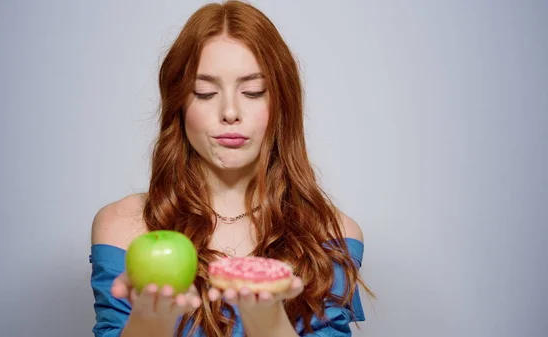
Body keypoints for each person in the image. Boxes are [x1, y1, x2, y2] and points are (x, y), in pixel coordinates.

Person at [89, 1, 374, 336]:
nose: (229, 111)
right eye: (205, 92)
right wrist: (152, 320)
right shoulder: (122, 227)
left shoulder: (331, 234)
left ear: (282, 103)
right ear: (178, 103)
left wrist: (266, 320)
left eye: (253, 92)